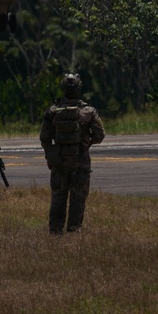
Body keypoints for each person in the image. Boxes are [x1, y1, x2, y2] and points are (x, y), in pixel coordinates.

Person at [39, 73, 106, 234]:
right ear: (79, 88)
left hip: (59, 162)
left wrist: (51, 155)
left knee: (58, 197)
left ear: (63, 88)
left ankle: (55, 231)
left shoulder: (53, 111)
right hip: (80, 161)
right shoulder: (89, 111)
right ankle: (74, 230)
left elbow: (44, 137)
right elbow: (99, 135)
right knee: (78, 199)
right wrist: (86, 143)